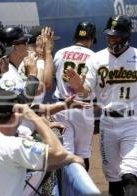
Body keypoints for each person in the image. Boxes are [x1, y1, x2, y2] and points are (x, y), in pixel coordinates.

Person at [64, 15, 137, 196]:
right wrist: (79, 86)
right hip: (107, 123)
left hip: (133, 123)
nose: (112, 39)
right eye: (109, 35)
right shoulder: (96, 59)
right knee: (114, 180)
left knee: (129, 176)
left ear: (126, 36)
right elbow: (86, 92)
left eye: (116, 36)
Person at [53, 21, 97, 171]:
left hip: (61, 107)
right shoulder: (94, 57)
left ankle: (65, 193)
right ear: (91, 39)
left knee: (65, 155)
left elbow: (54, 78)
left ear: (75, 37)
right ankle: (81, 192)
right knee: (82, 156)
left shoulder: (60, 53)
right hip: (83, 109)